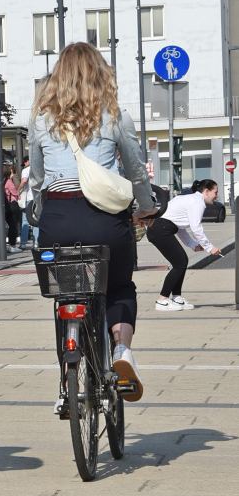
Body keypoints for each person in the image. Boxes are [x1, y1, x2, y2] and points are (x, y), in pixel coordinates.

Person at [29, 42, 156, 405]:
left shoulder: (41, 119)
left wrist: (40, 208)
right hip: (105, 222)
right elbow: (134, 170)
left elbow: (37, 178)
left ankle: (67, 384)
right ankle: (121, 352)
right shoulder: (115, 114)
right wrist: (145, 207)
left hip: (58, 221)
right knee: (118, 287)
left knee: (67, 296)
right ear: (100, 74)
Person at [144, 179, 222, 311]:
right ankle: (162, 300)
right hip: (160, 229)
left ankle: (177, 298)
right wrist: (210, 247)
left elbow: (179, 226)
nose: (217, 195)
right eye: (216, 192)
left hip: (160, 228)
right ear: (206, 191)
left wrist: (192, 244)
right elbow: (196, 228)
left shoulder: (190, 199)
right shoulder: (198, 203)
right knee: (180, 263)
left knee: (181, 262)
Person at [18, 156, 38, 249]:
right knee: (36, 220)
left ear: (28, 161)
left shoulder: (26, 170)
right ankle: (36, 242)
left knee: (25, 221)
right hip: (39, 197)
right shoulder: (40, 168)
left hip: (30, 198)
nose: (24, 164)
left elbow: (23, 182)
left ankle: (23, 243)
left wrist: (18, 191)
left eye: (25, 162)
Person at [3, 164, 21, 254]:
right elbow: (15, 192)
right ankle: (12, 245)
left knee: (7, 225)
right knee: (13, 225)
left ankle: (4, 245)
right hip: (12, 205)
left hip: (4, 205)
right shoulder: (9, 182)